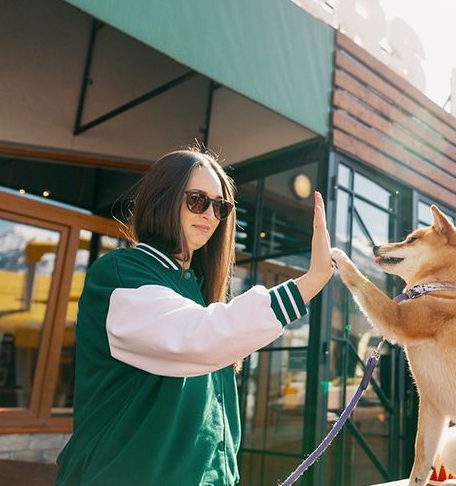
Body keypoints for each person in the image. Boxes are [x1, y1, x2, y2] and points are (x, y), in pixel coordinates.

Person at [55, 147, 333, 485]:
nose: (210, 215)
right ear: (163, 199)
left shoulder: (196, 293)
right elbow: (196, 338)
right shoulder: (121, 274)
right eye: (198, 200)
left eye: (221, 207)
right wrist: (310, 281)